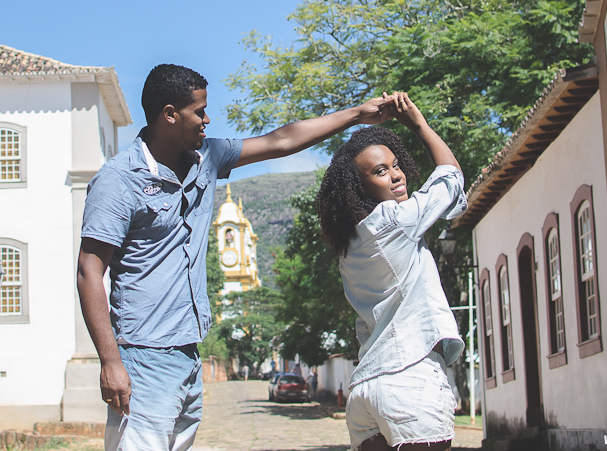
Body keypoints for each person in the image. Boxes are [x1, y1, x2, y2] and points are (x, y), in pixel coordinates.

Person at [77, 64, 395, 451]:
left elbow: (281, 140)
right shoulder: (117, 181)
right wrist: (110, 361)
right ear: (169, 114)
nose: (207, 120)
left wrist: (357, 115)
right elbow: (89, 271)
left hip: (188, 355)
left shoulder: (206, 158)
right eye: (199, 111)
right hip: (143, 356)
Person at [316, 92, 467, 451]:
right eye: (380, 172)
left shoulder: (350, 246)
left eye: (395, 164)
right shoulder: (394, 220)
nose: (397, 176)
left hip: (366, 389)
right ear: (360, 187)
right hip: (409, 382)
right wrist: (418, 124)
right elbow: (450, 179)